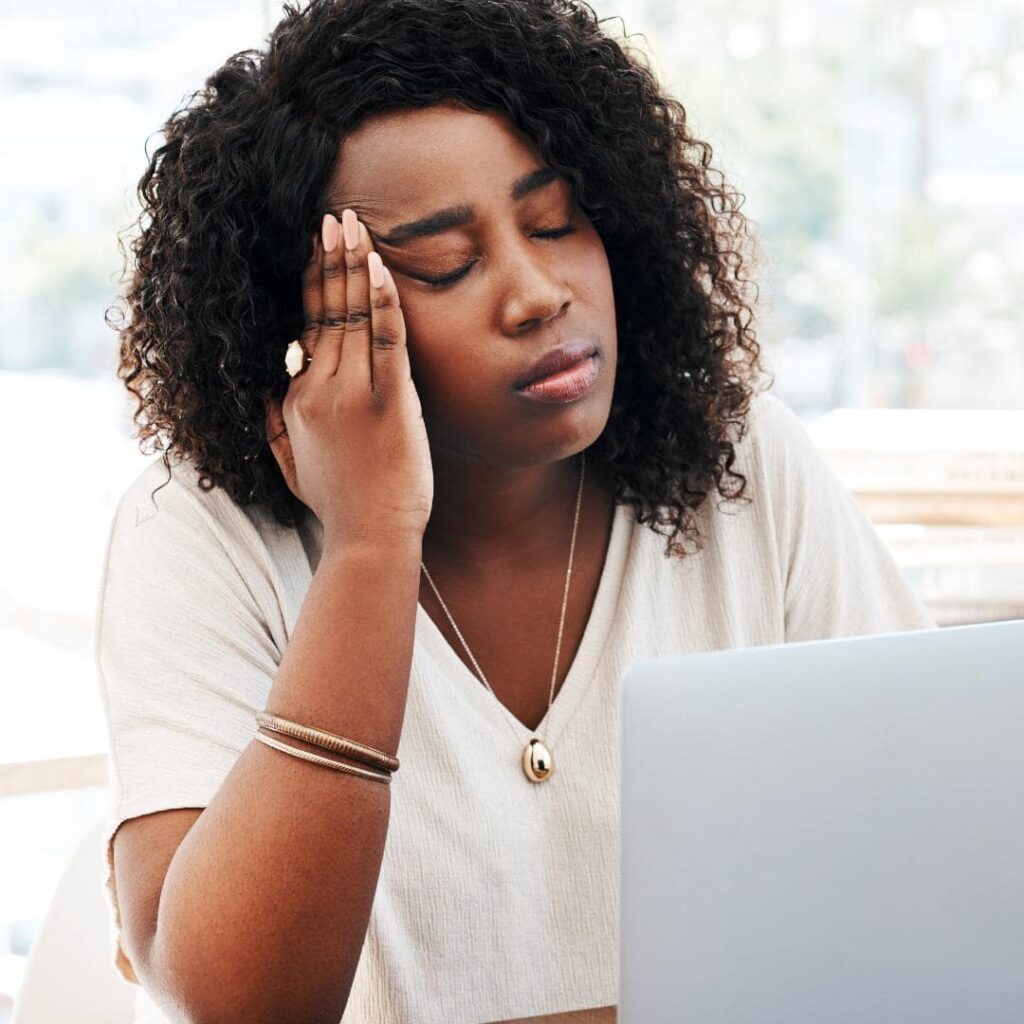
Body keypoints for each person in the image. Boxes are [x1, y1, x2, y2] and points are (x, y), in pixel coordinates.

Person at [95, 0, 936, 1021]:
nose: (537, 292)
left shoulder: (740, 467)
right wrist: (369, 544)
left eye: (555, 222)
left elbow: (924, 863)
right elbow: (237, 1001)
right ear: (305, 330)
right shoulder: (198, 536)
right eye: (446, 262)